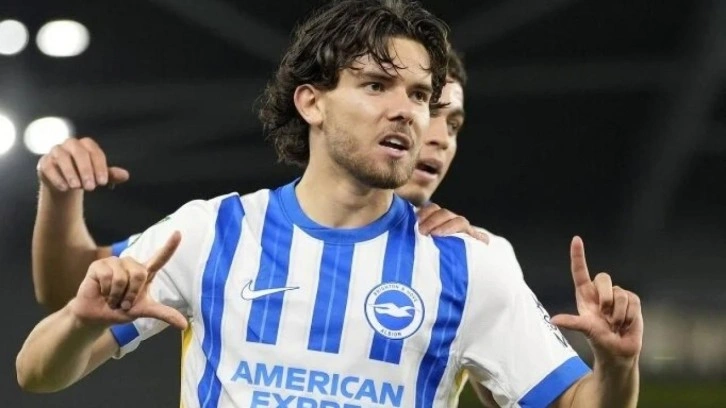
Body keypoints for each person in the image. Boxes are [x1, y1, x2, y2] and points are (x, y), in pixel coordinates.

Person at [17, 1, 643, 408]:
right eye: (377, 85)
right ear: (312, 102)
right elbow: (36, 373)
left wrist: (616, 366)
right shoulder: (211, 231)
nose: (407, 111)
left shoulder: (470, 262)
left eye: (420, 95)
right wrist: (81, 322)